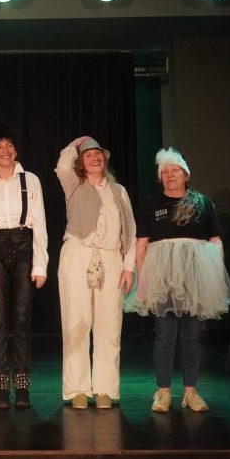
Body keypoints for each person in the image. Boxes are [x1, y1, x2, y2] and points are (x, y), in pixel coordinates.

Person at [127, 148, 230, 413]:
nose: (169, 175)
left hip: (195, 276)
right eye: (164, 172)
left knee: (192, 335)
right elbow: (141, 244)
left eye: (174, 170)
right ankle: (163, 392)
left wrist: (216, 276)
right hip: (163, 277)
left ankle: (190, 392)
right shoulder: (152, 204)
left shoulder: (201, 202)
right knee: (165, 335)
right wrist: (142, 280)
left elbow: (215, 241)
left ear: (185, 174)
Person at [0, 125, 48, 409]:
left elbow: (40, 223)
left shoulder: (31, 180)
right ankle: (1, 381)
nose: (5, 151)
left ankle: (23, 383)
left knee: (22, 316)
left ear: (16, 150)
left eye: (9, 146)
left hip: (23, 243)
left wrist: (40, 265)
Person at [55, 136, 136, 409]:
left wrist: (129, 266)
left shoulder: (118, 190)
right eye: (88, 155)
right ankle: (78, 388)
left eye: (98, 153)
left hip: (111, 258)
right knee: (76, 321)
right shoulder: (74, 185)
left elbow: (131, 229)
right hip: (78, 254)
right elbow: (62, 166)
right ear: (80, 162)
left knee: (109, 324)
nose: (95, 158)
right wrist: (77, 143)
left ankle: (105, 389)